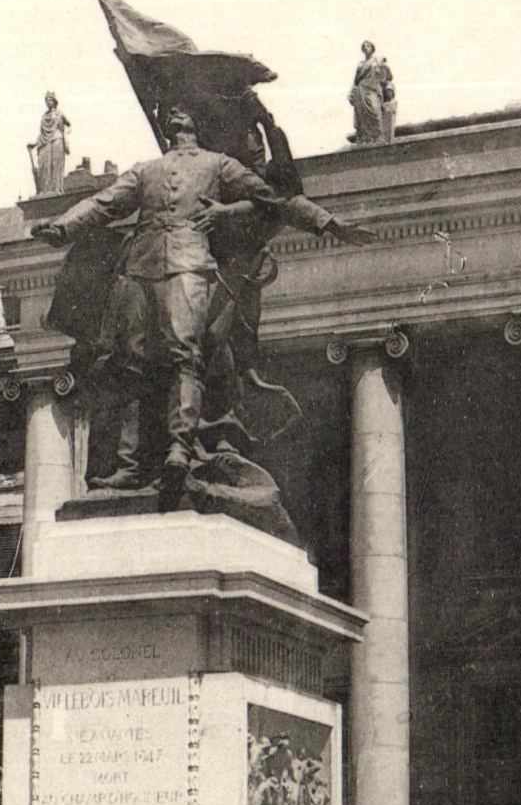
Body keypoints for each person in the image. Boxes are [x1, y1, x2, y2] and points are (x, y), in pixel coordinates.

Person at [32, 106, 361, 506]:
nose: (175, 116)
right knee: (133, 365)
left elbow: (273, 198)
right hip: (140, 267)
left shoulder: (218, 164)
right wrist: (62, 227)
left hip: (189, 264)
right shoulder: (146, 168)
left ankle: (179, 450)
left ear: (197, 125)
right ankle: (131, 465)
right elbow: (105, 202)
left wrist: (326, 222)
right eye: (171, 114)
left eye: (183, 114)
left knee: (184, 356)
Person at [29, 91, 71, 194]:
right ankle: (45, 190)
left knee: (55, 164)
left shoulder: (59, 114)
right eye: (46, 100)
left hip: (57, 139)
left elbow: (69, 125)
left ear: (54, 101)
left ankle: (56, 190)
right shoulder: (44, 116)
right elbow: (42, 133)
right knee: (44, 165)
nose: (48, 102)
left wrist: (65, 134)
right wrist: (34, 144)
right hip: (45, 141)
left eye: (50, 100)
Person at [349, 41, 386, 144]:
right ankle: (365, 138)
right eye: (364, 46)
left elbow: (384, 76)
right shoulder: (360, 64)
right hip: (360, 90)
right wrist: (351, 92)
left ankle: (379, 137)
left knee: (374, 110)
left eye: (368, 46)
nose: (366, 48)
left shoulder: (377, 60)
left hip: (372, 89)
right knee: (361, 114)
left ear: (372, 48)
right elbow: (355, 80)